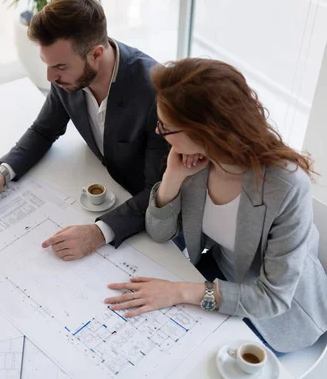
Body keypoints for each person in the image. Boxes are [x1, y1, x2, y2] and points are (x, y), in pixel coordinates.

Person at [104, 58, 327, 353]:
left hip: (278, 315)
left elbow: (273, 298)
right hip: (218, 277)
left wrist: (180, 291)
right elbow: (159, 233)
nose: (158, 133)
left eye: (166, 127)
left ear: (206, 130)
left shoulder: (285, 187)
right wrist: (172, 177)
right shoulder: (196, 163)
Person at [0, 0, 168, 260]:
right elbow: (44, 129)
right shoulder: (66, 76)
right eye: (47, 65)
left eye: (60, 67)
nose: (50, 76)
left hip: (146, 225)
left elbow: (159, 190)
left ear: (97, 53)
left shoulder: (155, 92)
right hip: (98, 185)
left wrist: (99, 232)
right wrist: (3, 173)